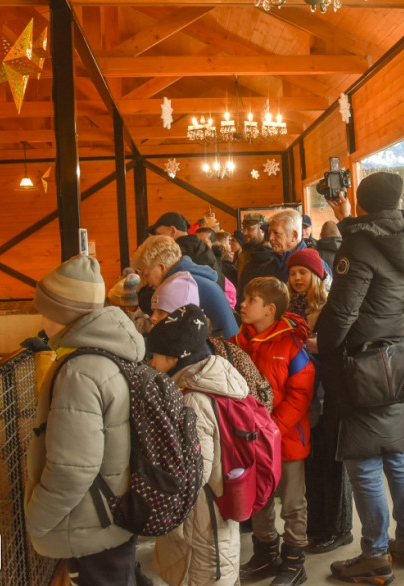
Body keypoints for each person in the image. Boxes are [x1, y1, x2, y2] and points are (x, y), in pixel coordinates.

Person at [316, 172, 404, 585]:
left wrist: (322, 345)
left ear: (362, 205)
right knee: (398, 454)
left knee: (364, 461)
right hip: (400, 360)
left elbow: (342, 312)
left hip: (362, 366)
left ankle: (376, 556)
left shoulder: (358, 245)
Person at [25, 255, 145, 585]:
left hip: (91, 525)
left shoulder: (78, 373)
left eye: (46, 310)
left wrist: (36, 518)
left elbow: (72, 468)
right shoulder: (110, 353)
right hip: (113, 510)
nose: (41, 319)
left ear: (64, 314)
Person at [149, 305, 245, 586]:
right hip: (219, 510)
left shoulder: (194, 400)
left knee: (209, 577)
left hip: (205, 521)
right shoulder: (216, 377)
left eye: (154, 356)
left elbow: (195, 475)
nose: (151, 363)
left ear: (174, 357)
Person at [235, 277, 315, 586]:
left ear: (269, 310)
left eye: (250, 300)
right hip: (250, 440)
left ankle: (294, 559)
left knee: (293, 502)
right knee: (259, 500)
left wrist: (273, 429)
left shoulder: (290, 344)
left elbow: (301, 393)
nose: (242, 304)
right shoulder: (237, 343)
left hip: (286, 439)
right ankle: (265, 553)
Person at [285, 248, 354, 555]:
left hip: (329, 396)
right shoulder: (287, 310)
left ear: (317, 275)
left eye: (303, 272)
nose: (297, 278)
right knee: (312, 464)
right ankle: (317, 526)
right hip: (302, 399)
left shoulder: (328, 309)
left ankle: (339, 528)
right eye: (292, 273)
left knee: (332, 463)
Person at [131, 235, 238, 338]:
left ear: (161, 267)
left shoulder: (185, 286)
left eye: (146, 275)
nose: (144, 282)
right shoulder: (190, 279)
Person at [269, 209, 331, 283]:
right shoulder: (268, 265)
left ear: (294, 235)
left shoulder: (316, 266)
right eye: (269, 233)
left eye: (276, 233)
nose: (271, 238)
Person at [237, 212, 281, 304]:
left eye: (249, 229)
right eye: (244, 228)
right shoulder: (245, 252)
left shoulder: (268, 256)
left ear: (263, 231)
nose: (244, 233)